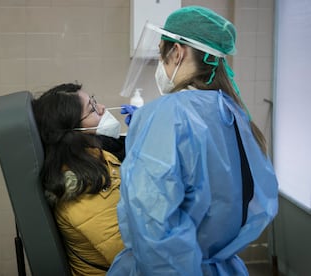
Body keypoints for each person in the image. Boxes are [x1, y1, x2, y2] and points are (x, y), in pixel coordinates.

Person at [108, 6, 279, 275]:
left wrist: (153, 128)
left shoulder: (167, 115)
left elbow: (152, 224)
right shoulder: (232, 111)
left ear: (177, 52)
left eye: (161, 55)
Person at [31, 82, 124, 275]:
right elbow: (132, 254)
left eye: (95, 101)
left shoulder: (93, 156)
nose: (102, 108)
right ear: (72, 133)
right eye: (92, 109)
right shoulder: (82, 192)